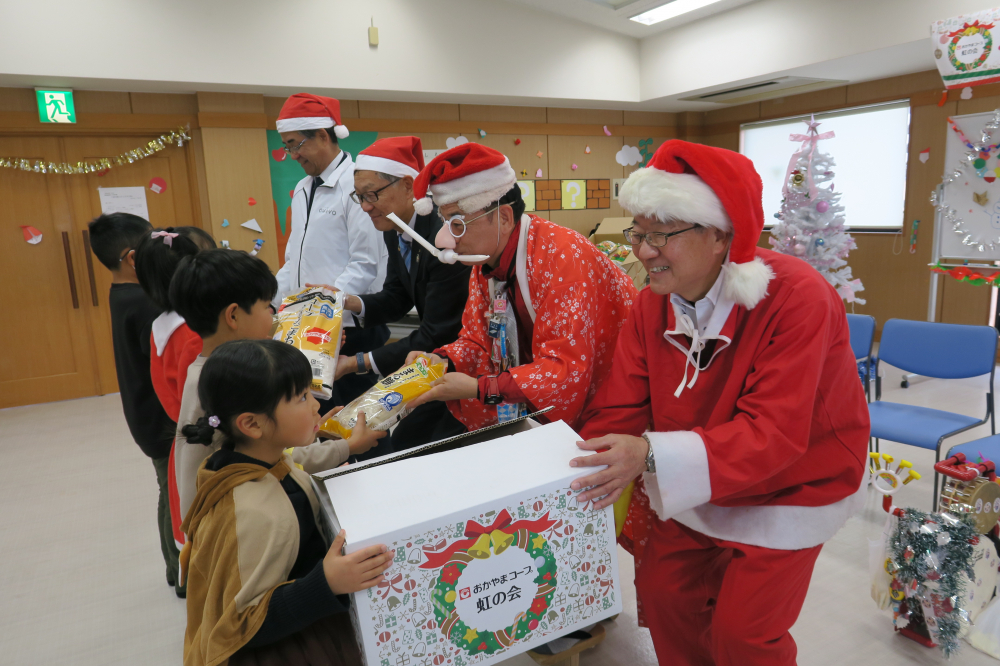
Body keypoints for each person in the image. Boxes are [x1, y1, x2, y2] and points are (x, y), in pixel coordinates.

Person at [570, 140, 869, 666]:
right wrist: (584, 461)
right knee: (664, 598)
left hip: (793, 484)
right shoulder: (651, 305)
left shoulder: (797, 296)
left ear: (719, 234)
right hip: (696, 480)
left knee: (744, 635)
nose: (642, 251)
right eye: (638, 233)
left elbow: (774, 433)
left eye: (661, 234)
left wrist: (649, 454)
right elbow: (621, 406)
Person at [179, 339, 392, 666]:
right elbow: (242, 624)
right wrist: (326, 582)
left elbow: (297, 466)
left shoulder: (253, 462)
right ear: (252, 424)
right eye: (301, 397)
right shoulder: (254, 513)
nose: (315, 407)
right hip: (289, 648)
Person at [403, 143, 638, 435]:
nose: (446, 240)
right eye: (445, 222)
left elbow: (565, 369)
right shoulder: (485, 262)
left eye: (458, 224)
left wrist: (481, 387)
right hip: (540, 398)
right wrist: (442, 360)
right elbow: (479, 340)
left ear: (502, 217)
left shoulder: (563, 257)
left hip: (609, 394)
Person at [170, 249, 368, 526]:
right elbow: (282, 458)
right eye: (267, 307)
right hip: (231, 528)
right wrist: (347, 447)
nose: (273, 316)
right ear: (234, 316)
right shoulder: (232, 380)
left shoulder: (213, 371)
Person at [342, 136, 470, 448]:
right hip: (431, 359)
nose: (367, 206)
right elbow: (397, 296)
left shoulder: (442, 237)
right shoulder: (395, 226)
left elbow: (437, 331)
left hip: (462, 362)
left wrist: (354, 362)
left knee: (418, 445)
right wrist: (347, 301)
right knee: (400, 442)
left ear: (409, 185)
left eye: (372, 194)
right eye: (359, 197)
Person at [274, 93, 389, 407]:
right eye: (286, 146)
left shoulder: (355, 187)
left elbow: (366, 264)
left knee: (356, 423)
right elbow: (293, 260)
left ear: (323, 136)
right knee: (317, 421)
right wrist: (273, 303)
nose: (292, 155)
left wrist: (321, 309)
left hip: (347, 328)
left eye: (295, 144)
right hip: (306, 325)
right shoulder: (301, 189)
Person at [87, 213, 181, 595]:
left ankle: (176, 565)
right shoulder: (146, 304)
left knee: (167, 487)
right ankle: (179, 570)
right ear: (131, 258)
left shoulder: (123, 294)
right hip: (160, 420)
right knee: (171, 490)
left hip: (145, 415)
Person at [134, 225, 217, 575]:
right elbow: (205, 399)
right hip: (205, 446)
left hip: (181, 443)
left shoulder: (160, 326)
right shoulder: (193, 334)